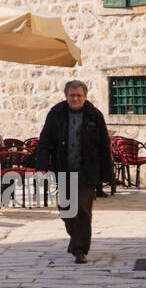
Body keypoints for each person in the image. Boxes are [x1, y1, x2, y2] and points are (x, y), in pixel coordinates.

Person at [34, 80, 114, 263]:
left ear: (85, 96)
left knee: (83, 210)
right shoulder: (56, 114)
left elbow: (104, 146)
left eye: (79, 95)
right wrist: (41, 167)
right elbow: (45, 142)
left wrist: (106, 174)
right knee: (66, 209)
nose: (75, 98)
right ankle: (76, 239)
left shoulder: (95, 115)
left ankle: (80, 249)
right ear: (66, 95)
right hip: (64, 168)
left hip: (87, 171)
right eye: (72, 95)